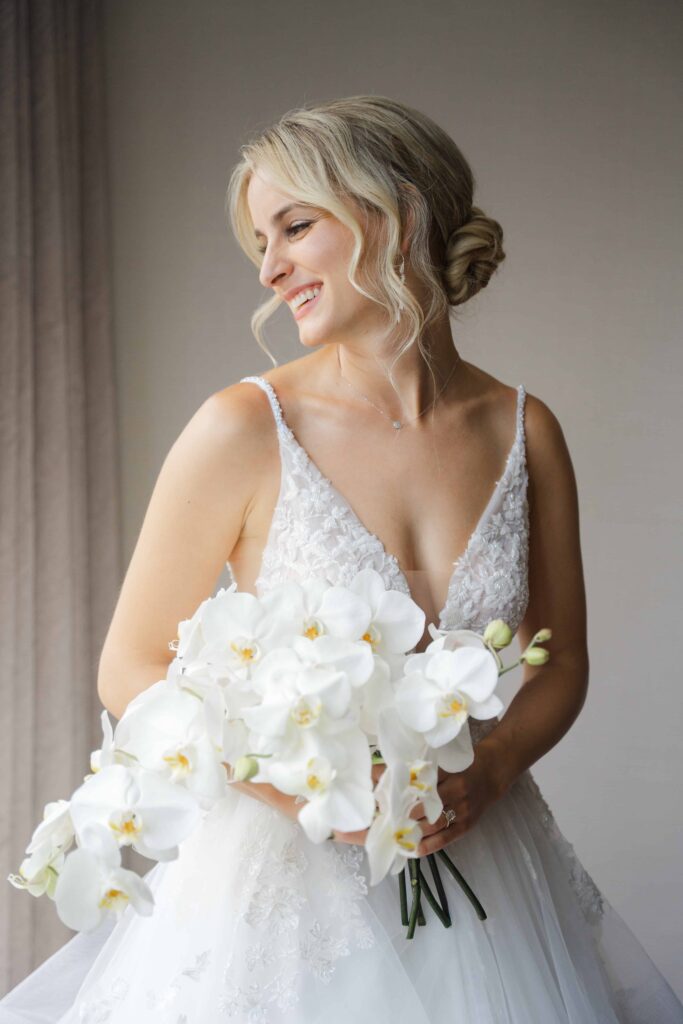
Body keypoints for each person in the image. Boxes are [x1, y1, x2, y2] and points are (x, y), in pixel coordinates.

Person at [2, 94, 681, 1023]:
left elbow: (557, 660)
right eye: (259, 243)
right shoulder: (243, 427)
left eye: (294, 226)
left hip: (478, 858)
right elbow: (131, 667)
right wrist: (306, 791)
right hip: (275, 896)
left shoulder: (525, 430)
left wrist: (487, 773)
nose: (272, 268)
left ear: (396, 214)